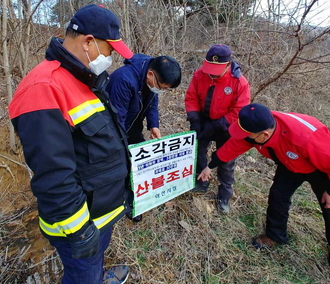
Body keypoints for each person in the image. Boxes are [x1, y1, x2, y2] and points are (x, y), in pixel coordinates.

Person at [8, 4, 134, 284]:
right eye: (110, 50)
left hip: (102, 213)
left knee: (90, 267)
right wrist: (79, 233)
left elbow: (103, 146)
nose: (112, 58)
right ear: (89, 42)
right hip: (79, 223)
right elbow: (54, 178)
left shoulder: (86, 78)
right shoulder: (43, 88)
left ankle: (95, 279)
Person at [198, 103, 330, 259]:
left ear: (265, 135)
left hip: (322, 168)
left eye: (246, 134)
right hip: (289, 163)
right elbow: (233, 145)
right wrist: (210, 166)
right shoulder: (255, 126)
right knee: (278, 196)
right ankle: (275, 236)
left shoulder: (308, 138)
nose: (243, 136)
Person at [106, 54, 181, 222]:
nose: (162, 91)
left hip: (133, 127)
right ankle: (122, 202)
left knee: (139, 165)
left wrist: (153, 125)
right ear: (150, 74)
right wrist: (123, 148)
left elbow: (152, 103)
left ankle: (136, 198)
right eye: (162, 87)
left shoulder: (152, 79)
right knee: (122, 165)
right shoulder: (123, 80)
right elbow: (117, 120)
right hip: (114, 131)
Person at [185, 44, 250, 213]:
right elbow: (191, 97)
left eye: (217, 69)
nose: (212, 73)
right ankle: (201, 181)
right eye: (210, 67)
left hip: (227, 127)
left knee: (226, 161)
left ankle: (224, 195)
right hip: (204, 120)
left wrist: (217, 125)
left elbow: (239, 111)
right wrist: (195, 119)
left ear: (228, 65)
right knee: (199, 151)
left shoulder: (239, 83)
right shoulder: (200, 75)